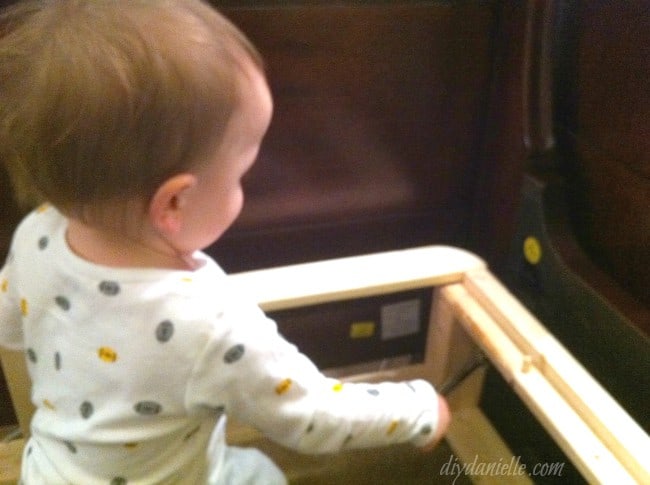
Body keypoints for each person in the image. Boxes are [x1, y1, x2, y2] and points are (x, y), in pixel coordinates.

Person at [0, 0, 450, 483]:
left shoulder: (36, 235)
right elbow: (312, 416)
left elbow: (11, 331)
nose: (246, 187)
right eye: (241, 174)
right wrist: (419, 410)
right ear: (173, 204)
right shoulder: (209, 321)